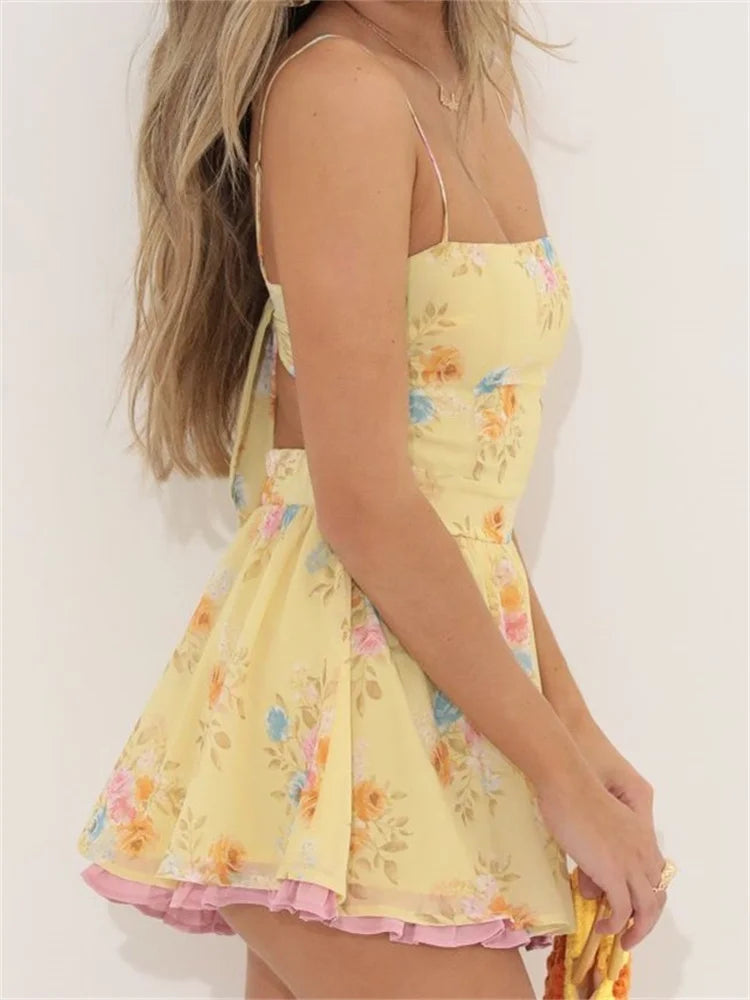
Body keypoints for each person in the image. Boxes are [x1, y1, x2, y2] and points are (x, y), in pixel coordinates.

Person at [77, 2, 675, 997]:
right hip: (328, 723)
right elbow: (365, 503)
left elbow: (462, 506)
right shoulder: (339, 93)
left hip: (422, 700)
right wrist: (561, 779)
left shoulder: (466, 85)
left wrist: (578, 736)